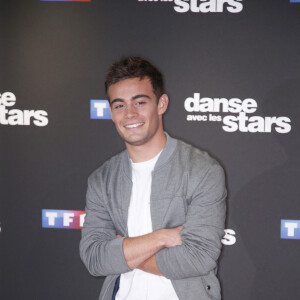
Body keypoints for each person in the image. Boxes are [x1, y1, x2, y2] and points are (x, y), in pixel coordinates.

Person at [80, 56, 227, 300]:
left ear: (161, 104)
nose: (129, 114)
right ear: (111, 112)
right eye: (119, 105)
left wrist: (123, 251)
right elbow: (95, 259)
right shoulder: (101, 179)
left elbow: (197, 257)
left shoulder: (203, 170)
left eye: (140, 102)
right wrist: (162, 237)